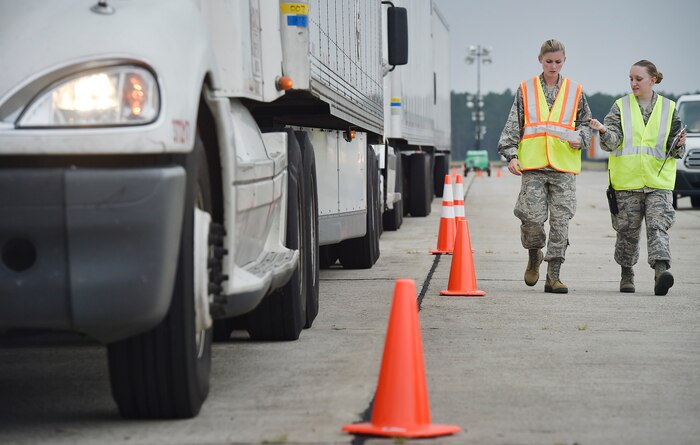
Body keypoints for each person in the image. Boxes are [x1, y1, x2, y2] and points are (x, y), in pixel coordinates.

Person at [498, 39, 592, 294]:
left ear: (564, 61)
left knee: (561, 222)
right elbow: (513, 125)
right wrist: (511, 155)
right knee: (531, 219)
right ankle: (533, 253)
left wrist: (580, 138)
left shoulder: (576, 90)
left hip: (563, 166)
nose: (553, 66)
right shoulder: (526, 89)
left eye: (558, 62)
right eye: (549, 61)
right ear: (540, 59)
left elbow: (585, 124)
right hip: (534, 165)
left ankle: (554, 275)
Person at [589, 60, 686, 295]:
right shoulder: (620, 107)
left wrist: (679, 145)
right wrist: (603, 131)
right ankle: (627, 274)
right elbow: (612, 142)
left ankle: (661, 271)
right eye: (630, 79)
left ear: (652, 79)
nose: (633, 83)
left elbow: (676, 148)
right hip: (627, 182)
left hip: (658, 182)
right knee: (627, 233)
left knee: (658, 228)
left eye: (638, 79)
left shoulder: (668, 108)